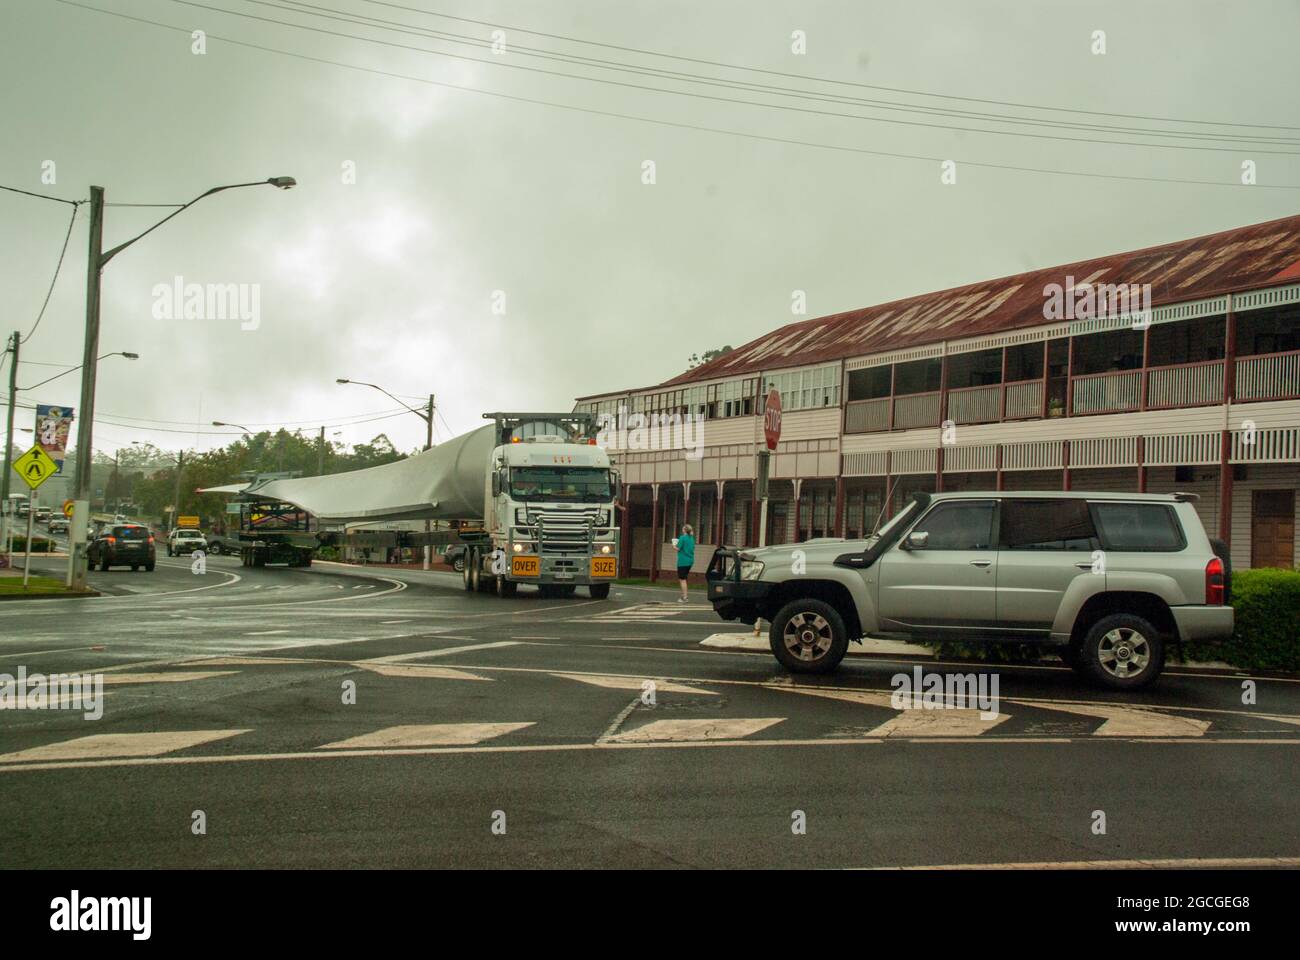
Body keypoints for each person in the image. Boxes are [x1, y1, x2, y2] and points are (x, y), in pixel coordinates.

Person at [674, 523, 695, 602]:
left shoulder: (682, 538)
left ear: (685, 530)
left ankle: (685, 597)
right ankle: (683, 595)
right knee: (683, 578)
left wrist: (673, 546)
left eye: (683, 529)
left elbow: (678, 548)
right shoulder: (691, 538)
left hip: (683, 561)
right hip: (690, 560)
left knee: (682, 579)